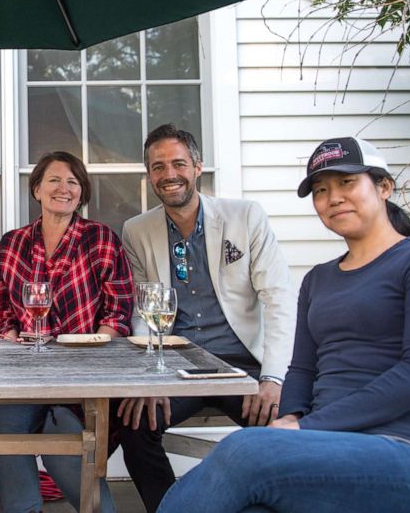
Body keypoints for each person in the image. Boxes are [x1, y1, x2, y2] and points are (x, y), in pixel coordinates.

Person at [158, 136, 410, 512]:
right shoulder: (319, 279)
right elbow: (303, 368)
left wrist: (303, 429)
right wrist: (290, 417)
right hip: (327, 448)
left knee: (245, 449)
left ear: (384, 186)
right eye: (321, 190)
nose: (333, 197)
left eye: (347, 183)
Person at [118, 123, 297, 511]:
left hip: (244, 364)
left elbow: (279, 299)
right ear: (149, 174)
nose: (169, 175)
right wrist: (151, 378)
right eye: (158, 166)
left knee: (291, 429)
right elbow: (141, 313)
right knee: (134, 425)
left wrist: (273, 378)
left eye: (178, 163)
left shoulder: (245, 217)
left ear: (197, 167)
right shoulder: (137, 230)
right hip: (180, 365)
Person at [0, 151, 133, 513]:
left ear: (82, 193)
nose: (63, 189)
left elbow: (117, 315)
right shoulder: (12, 243)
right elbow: (1, 312)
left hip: (82, 373)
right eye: (53, 180)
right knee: (1, 425)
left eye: (73, 181)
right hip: (24, 372)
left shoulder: (101, 239)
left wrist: (89, 350)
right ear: (36, 188)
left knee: (66, 442)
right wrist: (12, 338)